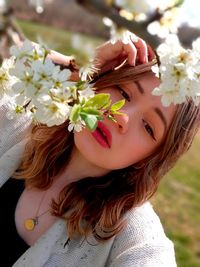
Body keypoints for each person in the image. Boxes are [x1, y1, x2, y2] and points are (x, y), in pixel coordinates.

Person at [0, 34, 199, 267]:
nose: (121, 117)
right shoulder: (15, 124)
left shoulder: (132, 236)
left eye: (148, 127)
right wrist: (74, 69)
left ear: (152, 157)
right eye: (123, 92)